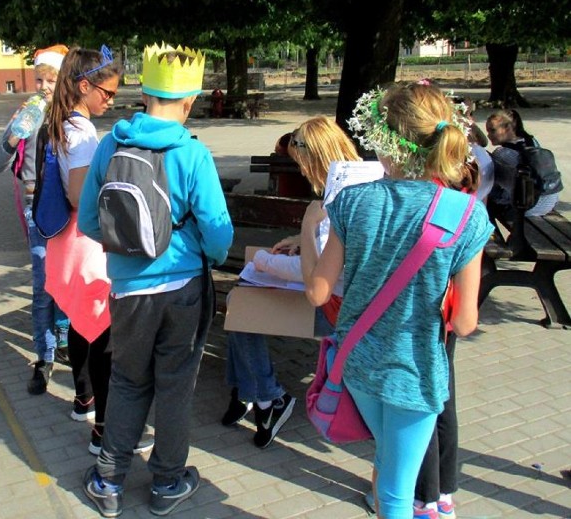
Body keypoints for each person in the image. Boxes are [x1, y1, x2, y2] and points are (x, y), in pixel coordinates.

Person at [301, 81, 493, 519]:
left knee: (388, 469)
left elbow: (318, 292)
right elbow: (464, 323)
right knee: (397, 487)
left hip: (358, 364)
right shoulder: (466, 214)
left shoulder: (351, 201)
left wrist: (309, 229)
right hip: (417, 373)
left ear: (383, 139)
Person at [78, 43, 234, 517]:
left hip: (128, 291)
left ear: (144, 93)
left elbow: (88, 221)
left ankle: (107, 480)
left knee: (126, 381)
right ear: (189, 101)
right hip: (184, 290)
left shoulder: (111, 144)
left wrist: (127, 247)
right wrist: (209, 254)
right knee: (174, 385)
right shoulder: (194, 153)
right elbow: (218, 231)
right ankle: (168, 483)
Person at [221, 116, 361, 449]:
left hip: (333, 306)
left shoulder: (338, 197)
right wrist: (299, 238)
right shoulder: (354, 183)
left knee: (241, 306)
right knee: (239, 304)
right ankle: (250, 393)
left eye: (301, 164)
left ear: (315, 157)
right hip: (341, 296)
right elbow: (327, 250)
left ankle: (266, 396)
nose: (300, 172)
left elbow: (313, 274)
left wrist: (264, 261)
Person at [42, 46, 135, 449]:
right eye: (107, 93)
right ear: (84, 85)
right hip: (87, 243)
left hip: (66, 242)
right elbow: (81, 195)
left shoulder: (60, 122)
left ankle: (83, 399)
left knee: (81, 321)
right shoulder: (82, 134)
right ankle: (104, 431)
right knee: (103, 333)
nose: (110, 101)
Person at [0, 44, 72, 395]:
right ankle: (45, 354)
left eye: (50, 80)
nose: (43, 86)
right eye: (38, 79)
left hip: (66, 209)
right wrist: (15, 134)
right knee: (43, 285)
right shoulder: (25, 115)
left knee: (66, 281)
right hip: (34, 205)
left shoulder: (72, 117)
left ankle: (68, 337)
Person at [485, 109, 559, 224]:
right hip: (548, 201)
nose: (488, 135)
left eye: (492, 130)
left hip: (527, 208)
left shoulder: (502, 153)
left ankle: (491, 236)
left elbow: (492, 184)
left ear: (508, 128)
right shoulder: (533, 142)